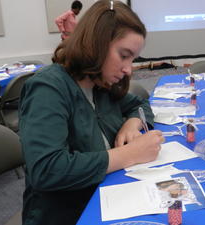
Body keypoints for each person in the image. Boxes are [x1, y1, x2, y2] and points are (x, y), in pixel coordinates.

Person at [19, 1, 164, 224]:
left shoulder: (100, 83)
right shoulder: (48, 88)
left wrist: (132, 122)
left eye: (132, 59)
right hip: (69, 213)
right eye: (124, 55)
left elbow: (140, 104)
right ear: (96, 44)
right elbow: (47, 169)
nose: (128, 69)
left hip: (111, 195)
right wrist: (130, 154)